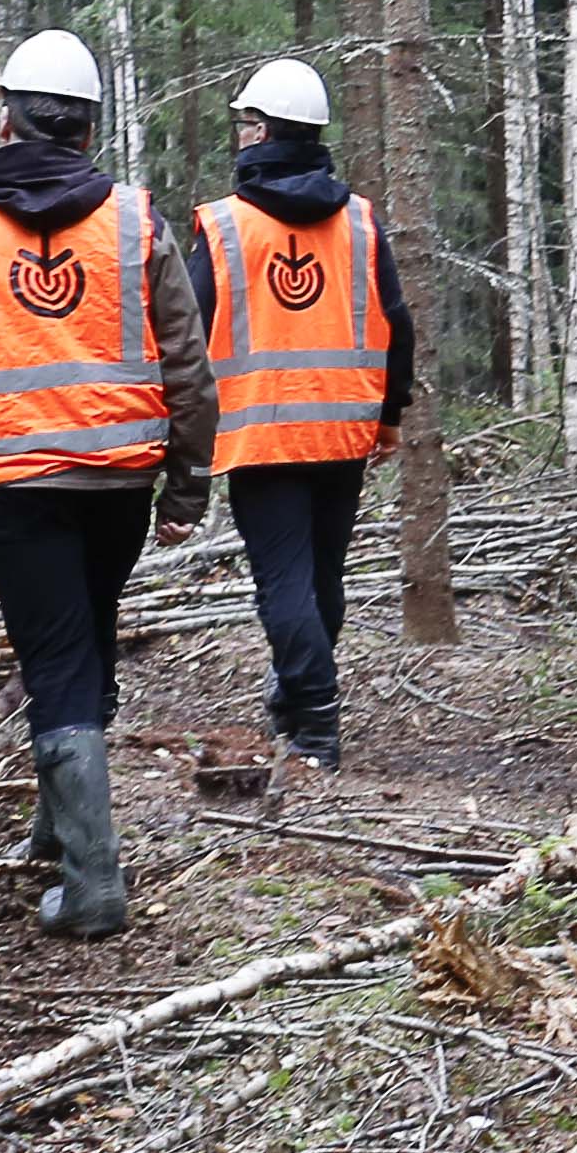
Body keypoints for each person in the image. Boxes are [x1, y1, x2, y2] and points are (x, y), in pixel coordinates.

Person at [0, 31, 213, 939]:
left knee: (59, 654)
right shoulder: (137, 221)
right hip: (118, 481)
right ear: (89, 131)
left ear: (6, 116)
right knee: (83, 641)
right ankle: (61, 829)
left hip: (13, 482)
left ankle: (96, 882)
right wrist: (185, 483)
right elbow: (188, 362)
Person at [180, 56, 415, 797]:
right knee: (320, 578)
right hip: (343, 429)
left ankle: (313, 722)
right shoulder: (359, 220)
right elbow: (397, 325)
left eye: (246, 122)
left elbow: (184, 336)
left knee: (285, 582)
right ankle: (294, 700)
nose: (240, 135)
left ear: (263, 131)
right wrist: (388, 417)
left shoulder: (223, 227)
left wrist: (179, 437)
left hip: (261, 435)